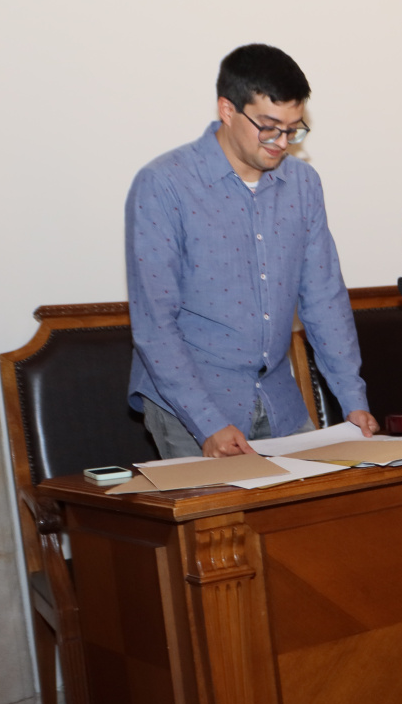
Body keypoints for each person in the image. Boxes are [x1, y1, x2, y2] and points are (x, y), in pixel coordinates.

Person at [126, 44, 377, 458]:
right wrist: (207, 422)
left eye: (293, 129)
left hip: (278, 396)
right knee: (220, 521)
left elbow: (324, 300)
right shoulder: (164, 184)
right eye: (269, 126)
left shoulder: (303, 184)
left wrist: (353, 399)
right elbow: (155, 323)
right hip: (192, 403)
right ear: (227, 110)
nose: (281, 142)